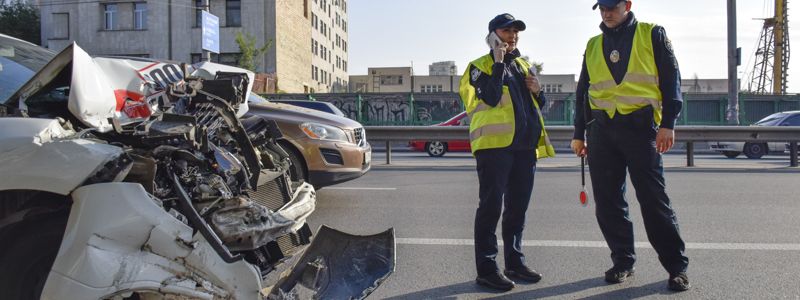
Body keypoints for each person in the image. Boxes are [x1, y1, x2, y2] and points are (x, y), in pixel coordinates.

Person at [571, 0, 691, 291]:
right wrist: (579, 133)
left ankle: (676, 267)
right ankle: (623, 261)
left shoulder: (652, 34)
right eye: (602, 8)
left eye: (612, 7)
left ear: (627, 4)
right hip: (601, 131)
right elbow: (583, 91)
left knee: (653, 199)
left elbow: (671, 80)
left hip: (641, 130)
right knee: (608, 203)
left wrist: (668, 124)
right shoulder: (593, 44)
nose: (606, 12)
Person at [459, 13, 555, 292]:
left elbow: (538, 104)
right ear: (492, 35)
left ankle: (515, 262)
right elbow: (488, 96)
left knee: (517, 209)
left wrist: (539, 91)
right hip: (494, 147)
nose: (512, 36)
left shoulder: (524, 65)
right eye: (506, 31)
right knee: (490, 208)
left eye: (515, 32)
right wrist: (499, 61)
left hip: (525, 147)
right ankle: (487, 270)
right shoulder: (477, 67)